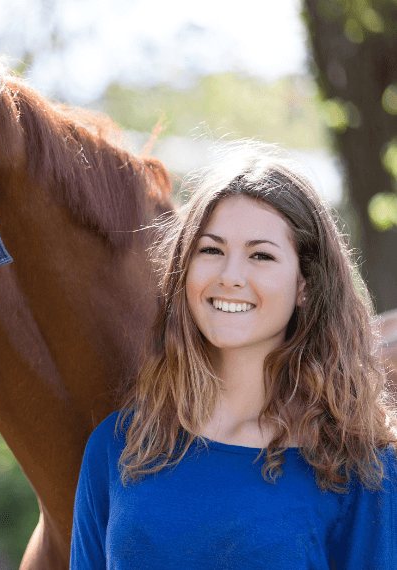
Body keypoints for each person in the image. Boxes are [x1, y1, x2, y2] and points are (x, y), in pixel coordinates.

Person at [70, 142, 397, 569]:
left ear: (306, 285)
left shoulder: (362, 468)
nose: (230, 277)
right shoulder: (118, 446)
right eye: (211, 250)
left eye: (261, 255)